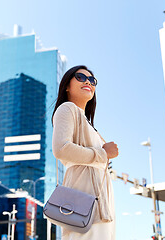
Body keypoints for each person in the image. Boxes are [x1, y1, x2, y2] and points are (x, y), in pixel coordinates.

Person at [52, 65, 119, 239]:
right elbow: (61, 149)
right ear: (67, 85)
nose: (88, 81)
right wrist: (103, 154)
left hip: (101, 202)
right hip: (82, 198)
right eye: (81, 77)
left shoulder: (88, 124)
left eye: (92, 80)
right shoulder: (67, 109)